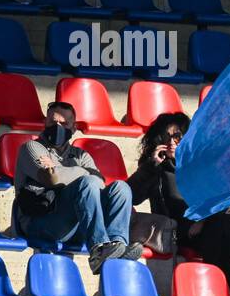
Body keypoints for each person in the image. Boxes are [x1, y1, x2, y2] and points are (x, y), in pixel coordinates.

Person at [127, 111, 230, 296]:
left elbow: (218, 198)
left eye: (177, 137)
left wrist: (201, 221)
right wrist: (151, 166)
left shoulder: (200, 166)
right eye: (166, 137)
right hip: (173, 231)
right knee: (220, 228)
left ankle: (227, 294)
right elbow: (131, 196)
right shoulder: (155, 168)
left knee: (222, 225)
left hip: (205, 226)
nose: (172, 142)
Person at [13, 101, 143, 274]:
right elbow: (51, 178)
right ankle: (98, 250)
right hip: (40, 221)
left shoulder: (81, 155)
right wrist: (83, 172)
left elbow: (100, 183)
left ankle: (117, 245)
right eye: (53, 123)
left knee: (121, 188)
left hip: (75, 224)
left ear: (73, 128)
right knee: (87, 183)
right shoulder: (32, 147)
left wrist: (64, 171)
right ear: (45, 123)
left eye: (64, 124)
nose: (57, 127)